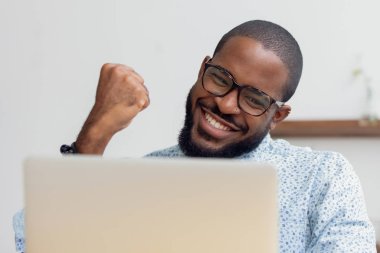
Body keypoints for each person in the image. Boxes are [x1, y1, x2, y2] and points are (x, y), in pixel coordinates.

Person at [13, 20, 376, 252]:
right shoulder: (142, 178)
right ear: (203, 68)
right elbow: (35, 245)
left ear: (277, 115)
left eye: (253, 99)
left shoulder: (321, 178)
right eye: (220, 78)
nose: (225, 104)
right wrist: (95, 135)